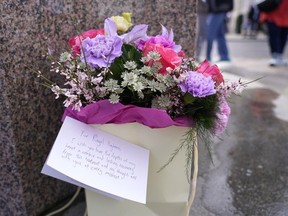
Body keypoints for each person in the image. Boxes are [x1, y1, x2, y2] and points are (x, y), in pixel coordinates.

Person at [259, 0, 288, 67]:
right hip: (273, 17)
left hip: (285, 16)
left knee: (283, 37)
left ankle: (279, 55)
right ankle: (275, 55)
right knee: (274, 37)